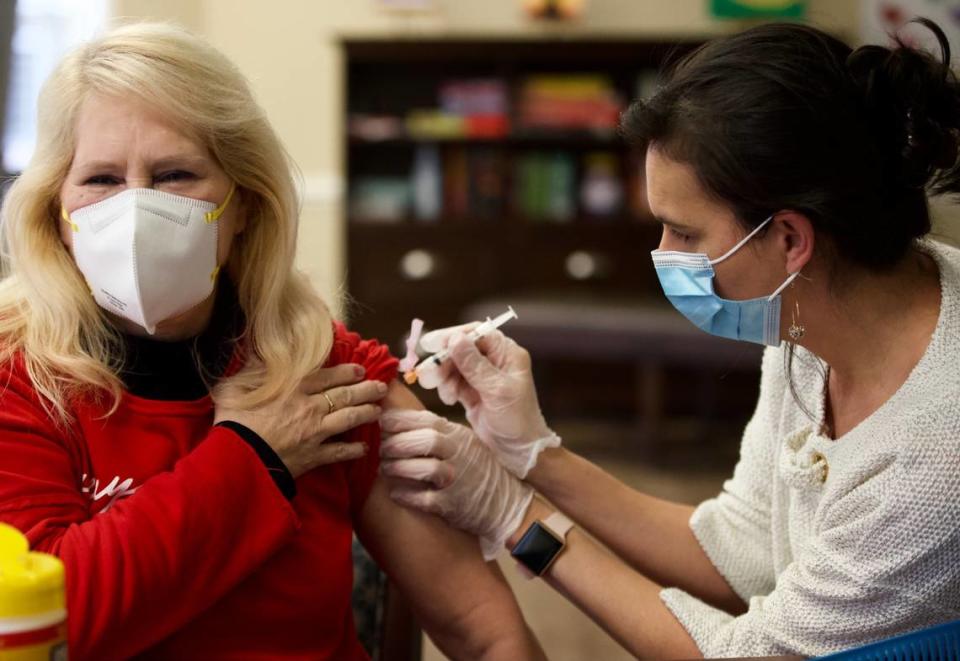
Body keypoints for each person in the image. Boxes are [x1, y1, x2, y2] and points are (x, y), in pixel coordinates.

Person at [380, 19, 960, 659]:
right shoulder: (813, 315)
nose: (662, 256)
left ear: (791, 239)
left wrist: (516, 519)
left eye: (684, 234)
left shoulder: (933, 456)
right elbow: (743, 549)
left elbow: (744, 654)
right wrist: (534, 454)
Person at [0, 22, 545, 661]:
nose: (137, 211)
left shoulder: (328, 374)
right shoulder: (18, 377)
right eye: (100, 180)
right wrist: (253, 455)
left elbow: (486, 632)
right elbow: (51, 623)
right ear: (56, 216)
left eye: (175, 174)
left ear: (244, 206)